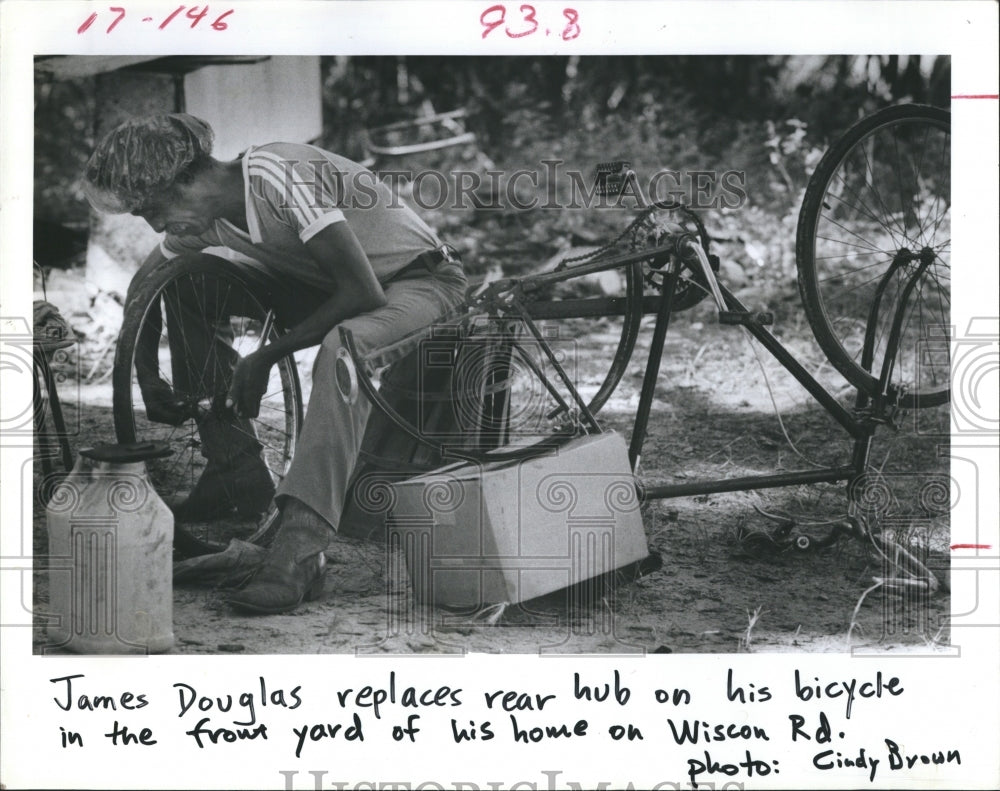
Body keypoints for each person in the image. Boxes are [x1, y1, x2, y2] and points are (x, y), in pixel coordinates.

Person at [83, 113, 467, 614]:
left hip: (418, 282)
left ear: (186, 177)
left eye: (153, 209)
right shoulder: (207, 218)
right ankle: (234, 471)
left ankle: (300, 553)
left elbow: (362, 290)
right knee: (191, 284)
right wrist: (146, 371)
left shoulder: (275, 173)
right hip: (328, 288)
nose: (155, 224)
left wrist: (264, 356)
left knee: (342, 348)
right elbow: (148, 283)